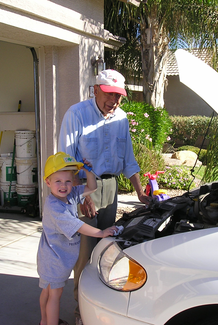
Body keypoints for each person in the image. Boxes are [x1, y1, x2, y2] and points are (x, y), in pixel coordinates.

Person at [58, 69, 151, 325]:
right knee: (84, 254)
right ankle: (81, 312)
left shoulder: (120, 117)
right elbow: (66, 160)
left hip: (110, 187)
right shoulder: (76, 114)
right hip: (83, 188)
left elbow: (129, 159)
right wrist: (82, 194)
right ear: (96, 90)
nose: (114, 102)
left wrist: (141, 192)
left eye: (119, 96)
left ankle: (99, 307)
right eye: (109, 95)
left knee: (106, 250)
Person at [37, 152, 117, 325]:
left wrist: (88, 170)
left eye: (68, 181)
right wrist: (100, 233)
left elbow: (92, 187)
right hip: (54, 259)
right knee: (54, 295)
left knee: (47, 291)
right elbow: (78, 225)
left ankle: (44, 321)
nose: (63, 186)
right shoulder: (55, 208)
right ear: (48, 182)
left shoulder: (70, 195)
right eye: (58, 181)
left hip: (55, 256)